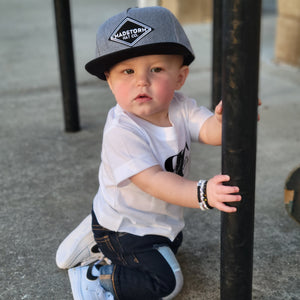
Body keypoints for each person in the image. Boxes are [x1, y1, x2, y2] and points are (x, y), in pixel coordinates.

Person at [59, 6, 245, 300]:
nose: (141, 81)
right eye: (127, 71)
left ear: (180, 77)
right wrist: (202, 193)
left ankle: (97, 238)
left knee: (172, 244)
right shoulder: (122, 131)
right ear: (109, 81)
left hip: (154, 220)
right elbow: (153, 181)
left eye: (156, 69)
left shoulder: (180, 106)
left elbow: (208, 130)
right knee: (165, 283)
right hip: (124, 227)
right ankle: (97, 276)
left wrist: (227, 121)